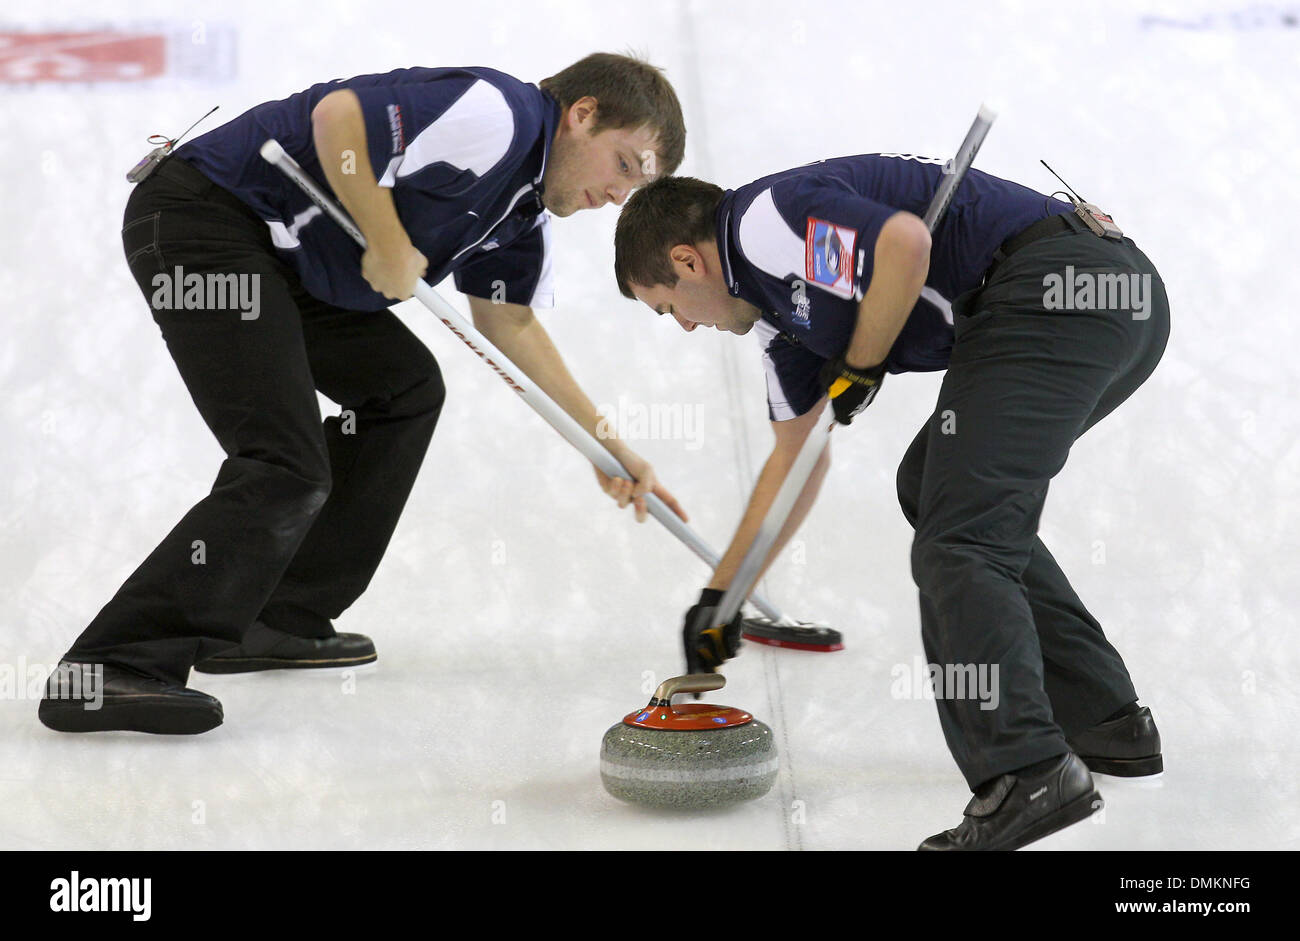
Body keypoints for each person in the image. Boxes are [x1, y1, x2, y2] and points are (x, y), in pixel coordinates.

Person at [40, 53, 687, 736]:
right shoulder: (497, 115)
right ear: (582, 116)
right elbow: (338, 118)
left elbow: (509, 321)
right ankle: (108, 665)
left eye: (636, 185)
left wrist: (604, 444)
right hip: (208, 219)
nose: (621, 195)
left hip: (284, 262)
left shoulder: (521, 211)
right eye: (624, 164)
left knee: (404, 389)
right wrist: (384, 238)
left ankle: (274, 614)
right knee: (285, 463)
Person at [612, 155, 1169, 851]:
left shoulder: (765, 226)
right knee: (935, 487)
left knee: (959, 536)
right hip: (1099, 299)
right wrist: (724, 593)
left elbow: (903, 245)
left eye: (667, 308)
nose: (685, 327)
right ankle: (1107, 721)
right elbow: (796, 459)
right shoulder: (778, 320)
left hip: (1061, 291)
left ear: (688, 261)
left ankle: (1026, 771)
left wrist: (864, 360)